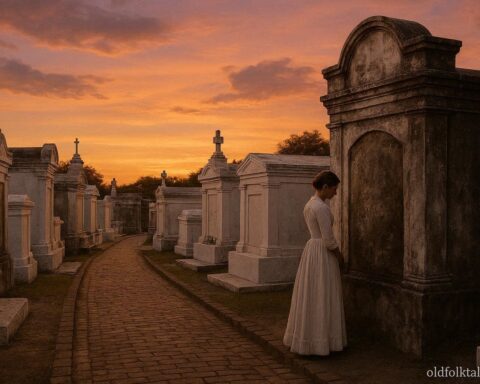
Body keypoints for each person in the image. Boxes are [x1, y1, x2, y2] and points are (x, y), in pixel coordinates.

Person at [283, 170, 347, 356]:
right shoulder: (321, 208)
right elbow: (328, 239)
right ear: (325, 187)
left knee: (312, 293)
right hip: (322, 252)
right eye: (334, 189)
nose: (335, 193)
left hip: (312, 249)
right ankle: (322, 341)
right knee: (323, 293)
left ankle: (309, 338)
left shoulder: (310, 204)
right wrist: (339, 254)